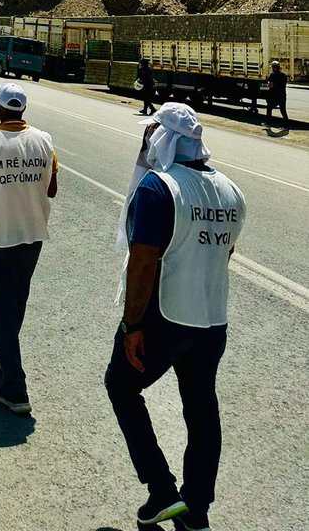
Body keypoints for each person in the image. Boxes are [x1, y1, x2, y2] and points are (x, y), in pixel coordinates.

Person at [105, 102, 246, 531]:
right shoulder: (230, 189)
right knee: (202, 409)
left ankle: (162, 490)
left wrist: (132, 326)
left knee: (122, 387)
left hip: (164, 318)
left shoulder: (158, 187)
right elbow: (225, 253)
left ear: (163, 139)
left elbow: (143, 262)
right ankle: (197, 509)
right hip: (211, 319)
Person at [0, 81, 58, 415]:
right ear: (23, 109)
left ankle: (14, 387)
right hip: (32, 232)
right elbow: (52, 189)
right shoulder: (44, 141)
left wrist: (0, 193)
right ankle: (1, 346)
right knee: (16, 297)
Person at [265, 59, 289, 133]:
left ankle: (268, 124)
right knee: (283, 110)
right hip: (282, 95)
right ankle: (286, 126)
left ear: (273, 67)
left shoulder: (273, 75)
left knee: (269, 108)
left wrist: (268, 83)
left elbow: (271, 85)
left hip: (275, 96)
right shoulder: (284, 76)